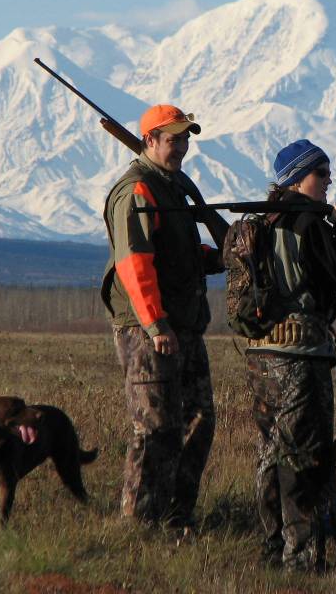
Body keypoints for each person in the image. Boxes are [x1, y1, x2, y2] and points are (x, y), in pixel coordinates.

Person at [100, 104, 223, 534]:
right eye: (174, 139)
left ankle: (175, 516)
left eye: (187, 138)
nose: (183, 147)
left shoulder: (170, 188)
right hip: (149, 328)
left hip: (184, 325)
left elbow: (181, 255)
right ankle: (138, 524)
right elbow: (134, 263)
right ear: (149, 140)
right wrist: (156, 324)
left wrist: (227, 255)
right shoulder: (138, 190)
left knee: (197, 420)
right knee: (154, 428)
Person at [245, 138, 336, 570]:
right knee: (305, 457)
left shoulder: (260, 221)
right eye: (321, 174)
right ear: (297, 178)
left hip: (261, 356)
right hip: (301, 355)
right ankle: (302, 558)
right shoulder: (308, 223)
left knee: (270, 452)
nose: (328, 181)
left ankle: (272, 546)